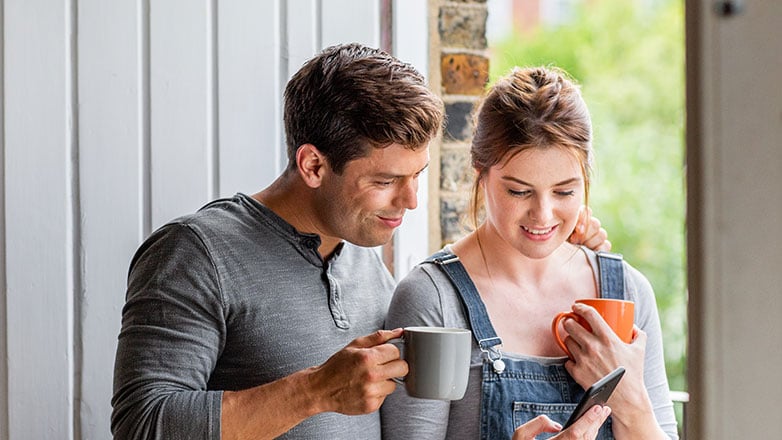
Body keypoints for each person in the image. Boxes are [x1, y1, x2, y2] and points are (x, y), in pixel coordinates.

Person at [111, 44, 610, 439]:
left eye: (418, 175)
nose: (411, 201)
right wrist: (314, 391)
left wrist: (564, 244)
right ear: (313, 165)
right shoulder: (195, 253)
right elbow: (141, 423)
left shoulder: (364, 263)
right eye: (385, 181)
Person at [381, 66, 679, 439]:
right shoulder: (434, 300)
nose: (542, 214)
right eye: (519, 191)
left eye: (564, 192)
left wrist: (631, 401)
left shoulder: (626, 293)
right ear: (480, 173)